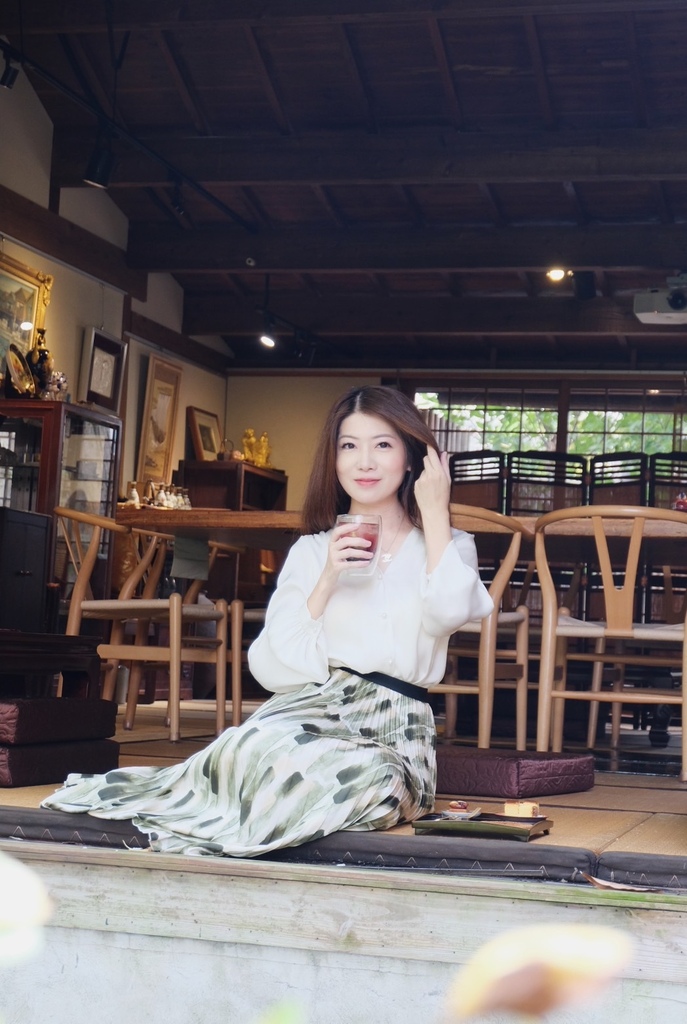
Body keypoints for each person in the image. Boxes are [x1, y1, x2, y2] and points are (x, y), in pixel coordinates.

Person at [41, 386, 492, 858]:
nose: (364, 462)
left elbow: (449, 613)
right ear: (334, 459)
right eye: (349, 445)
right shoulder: (312, 551)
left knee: (370, 780)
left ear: (411, 457)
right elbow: (272, 668)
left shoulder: (448, 545)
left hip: (395, 728)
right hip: (314, 709)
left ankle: (247, 824)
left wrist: (435, 513)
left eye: (382, 444)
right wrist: (328, 577)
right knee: (250, 746)